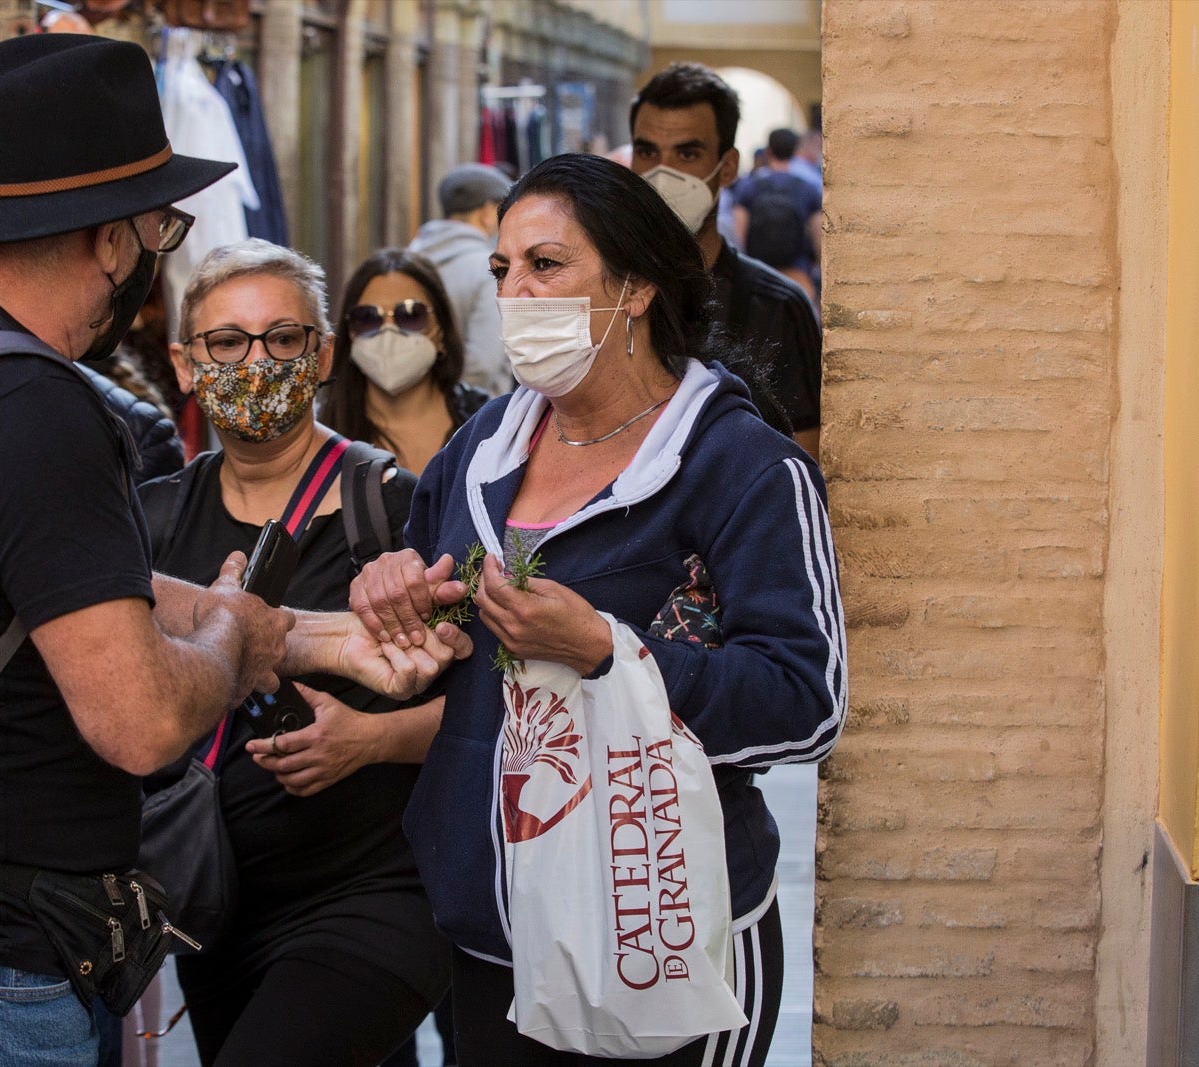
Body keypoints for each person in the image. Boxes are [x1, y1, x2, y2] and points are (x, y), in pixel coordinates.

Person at [0, 35, 465, 1067]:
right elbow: (142, 721)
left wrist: (309, 638)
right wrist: (234, 636)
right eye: (160, 227)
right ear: (110, 237)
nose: (153, 253)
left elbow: (64, 591)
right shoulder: (29, 404)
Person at [349, 153, 847, 1066]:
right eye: (504, 270)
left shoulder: (743, 467)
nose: (516, 292)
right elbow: (434, 647)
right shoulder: (480, 452)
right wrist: (393, 600)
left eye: (548, 264)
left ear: (638, 286)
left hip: (660, 933)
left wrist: (606, 652)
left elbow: (804, 703)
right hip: (494, 932)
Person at [137, 238, 450, 1066]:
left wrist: (373, 738)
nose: (257, 361)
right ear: (184, 363)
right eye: (228, 342)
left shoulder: (396, 510)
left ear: (321, 357)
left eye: (283, 338)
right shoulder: (154, 520)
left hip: (377, 894)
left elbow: (505, 707)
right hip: (214, 903)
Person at [630, 63, 823, 458]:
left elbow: (802, 458)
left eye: (687, 153)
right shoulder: (606, 292)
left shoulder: (776, 308)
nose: (663, 173)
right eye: (648, 151)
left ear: (728, 166)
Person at [321, 247, 490, 475]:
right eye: (368, 318)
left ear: (441, 329)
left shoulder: (487, 424)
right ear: (349, 334)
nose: (388, 332)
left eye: (410, 315)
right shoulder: (322, 434)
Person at [408, 163, 514, 396]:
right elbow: (483, 364)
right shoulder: (488, 269)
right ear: (486, 213)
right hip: (472, 418)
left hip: (407, 409)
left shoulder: (408, 258)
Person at [733, 128, 823, 305]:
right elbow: (818, 233)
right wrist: (819, 267)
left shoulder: (749, 186)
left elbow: (739, 233)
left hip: (758, 270)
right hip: (797, 270)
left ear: (769, 151)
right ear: (795, 150)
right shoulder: (808, 188)